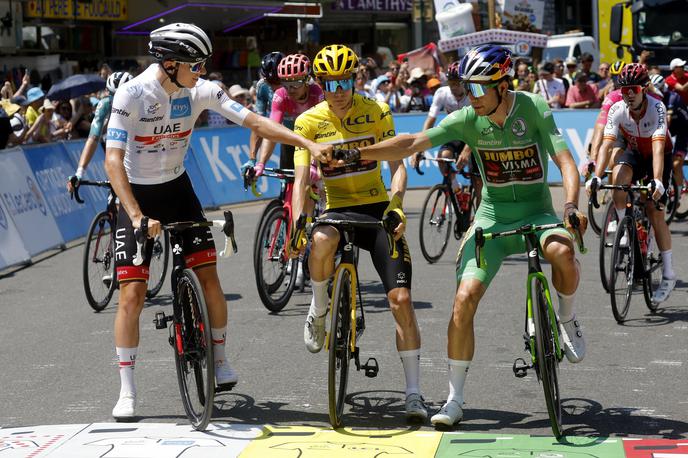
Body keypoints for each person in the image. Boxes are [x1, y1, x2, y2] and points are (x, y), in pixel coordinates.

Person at [330, 44, 588, 427]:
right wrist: (358, 155)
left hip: (538, 213)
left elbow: (566, 162)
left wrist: (569, 205)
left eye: (480, 89)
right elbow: (412, 143)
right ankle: (454, 399)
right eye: (468, 89)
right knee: (463, 299)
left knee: (563, 253)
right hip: (492, 219)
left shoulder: (532, 107)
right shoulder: (468, 118)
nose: (473, 97)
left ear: (503, 85)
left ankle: (566, 319)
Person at [104, 23, 332, 421]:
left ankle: (221, 358)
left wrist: (305, 142)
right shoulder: (133, 94)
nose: (204, 70)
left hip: (177, 189)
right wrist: (137, 216)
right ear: (171, 63)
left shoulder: (201, 90)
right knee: (132, 294)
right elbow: (112, 160)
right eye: (197, 64)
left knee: (208, 276)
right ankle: (127, 390)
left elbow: (256, 123)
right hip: (137, 194)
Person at [289, 44, 427, 422]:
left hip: (376, 208)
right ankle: (319, 307)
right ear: (320, 83)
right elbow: (302, 179)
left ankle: (414, 393)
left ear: (356, 79)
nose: (338, 89)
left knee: (400, 299)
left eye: (346, 80)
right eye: (330, 82)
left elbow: (398, 166)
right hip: (337, 208)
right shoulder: (308, 122)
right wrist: (299, 218)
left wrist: (397, 204)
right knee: (319, 241)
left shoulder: (376, 111)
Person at [586, 63, 676, 303]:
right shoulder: (618, 109)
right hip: (635, 152)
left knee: (654, 210)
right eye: (624, 89)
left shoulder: (656, 107)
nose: (628, 94)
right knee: (618, 178)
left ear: (644, 88)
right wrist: (596, 174)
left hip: (659, 157)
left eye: (633, 89)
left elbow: (658, 149)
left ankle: (668, 275)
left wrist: (657, 181)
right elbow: (607, 144)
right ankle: (623, 226)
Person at [410, 61, 479, 202]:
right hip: (455, 134)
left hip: (474, 135)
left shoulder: (473, 95)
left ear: (464, 83)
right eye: (450, 83)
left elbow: (478, 126)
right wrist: (420, 147)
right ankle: (456, 189)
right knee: (443, 157)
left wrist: (467, 151)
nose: (453, 87)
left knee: (478, 185)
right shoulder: (442, 93)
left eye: (456, 83)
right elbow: (430, 121)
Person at [66, 71, 133, 192]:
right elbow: (92, 138)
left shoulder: (141, 104)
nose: (117, 100)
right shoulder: (105, 104)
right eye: (112, 95)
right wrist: (79, 173)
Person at [240, 51, 284, 177]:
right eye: (270, 81)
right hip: (282, 130)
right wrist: (252, 159)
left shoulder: (297, 83)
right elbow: (258, 124)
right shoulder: (262, 86)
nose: (274, 85)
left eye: (278, 80)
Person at [650, 73, 688, 191]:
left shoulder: (672, 97)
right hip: (670, 129)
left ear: (662, 88)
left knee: (676, 163)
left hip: (683, 130)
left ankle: (679, 194)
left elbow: (667, 122)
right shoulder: (652, 96)